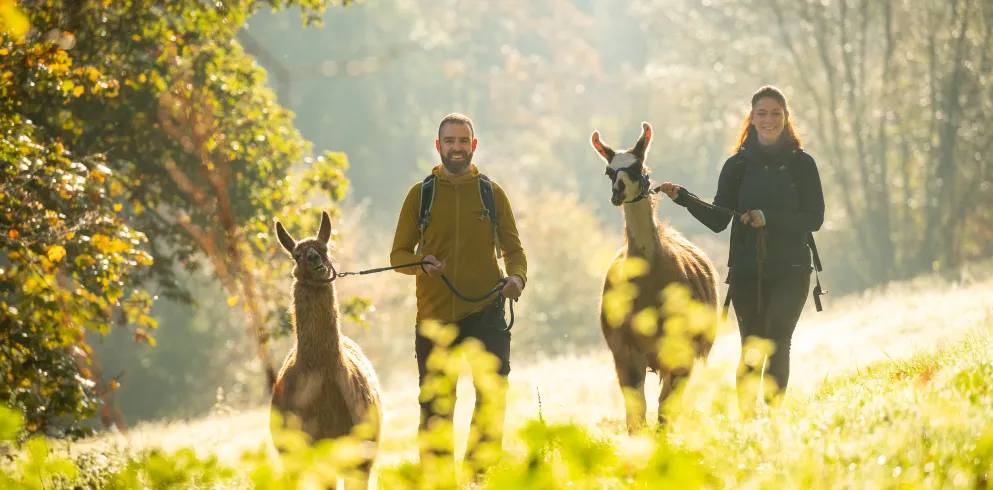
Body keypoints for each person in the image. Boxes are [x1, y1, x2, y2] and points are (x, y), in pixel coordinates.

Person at [659, 85, 825, 410]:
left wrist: (769, 218)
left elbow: (814, 218)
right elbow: (719, 219)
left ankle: (773, 416)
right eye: (761, 113)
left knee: (777, 341)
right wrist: (684, 198)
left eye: (775, 113)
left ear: (786, 117)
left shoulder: (802, 164)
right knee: (751, 345)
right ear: (751, 118)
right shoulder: (737, 166)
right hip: (747, 271)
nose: (768, 120)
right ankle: (749, 421)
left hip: (791, 268)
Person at [390, 112, 527, 477]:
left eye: (463, 141)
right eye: (449, 141)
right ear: (438, 146)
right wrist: (421, 264)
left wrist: (517, 279)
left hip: (487, 310)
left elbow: (514, 252)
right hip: (435, 320)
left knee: (492, 398)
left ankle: (477, 479)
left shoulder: (491, 193)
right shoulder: (420, 195)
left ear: (474, 145)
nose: (456, 148)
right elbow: (398, 256)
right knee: (436, 410)